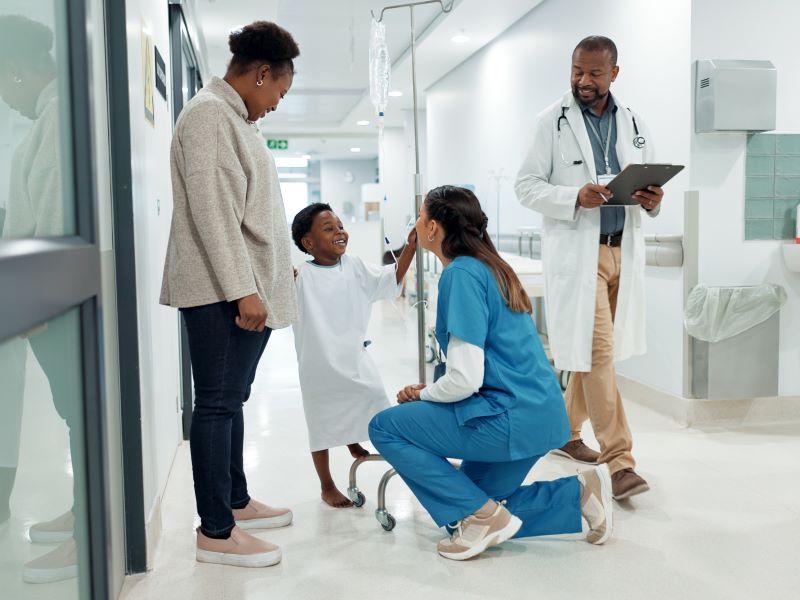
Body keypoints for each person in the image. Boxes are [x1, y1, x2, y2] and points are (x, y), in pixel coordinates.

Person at [369, 186, 614, 561]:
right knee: (468, 503)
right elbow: (478, 371)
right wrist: (435, 390)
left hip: (509, 417)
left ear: (433, 229)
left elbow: (465, 378)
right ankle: (578, 493)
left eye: (420, 216)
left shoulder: (461, 275)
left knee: (385, 427)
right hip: (541, 416)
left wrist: (423, 394)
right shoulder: (491, 266)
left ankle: (482, 518)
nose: (415, 223)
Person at [160, 20, 299, 568]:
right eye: (279, 92)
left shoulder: (235, 119)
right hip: (220, 292)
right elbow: (215, 215)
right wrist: (244, 289)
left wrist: (274, 269)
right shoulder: (209, 117)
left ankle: (235, 502)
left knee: (230, 401)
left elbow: (250, 211)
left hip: (238, 286)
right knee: (216, 405)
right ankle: (215, 531)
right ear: (261, 74)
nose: (276, 105)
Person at [515, 36, 663, 500]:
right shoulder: (550, 121)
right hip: (582, 256)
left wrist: (654, 201)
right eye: (577, 71)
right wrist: (570, 196)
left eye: (594, 73)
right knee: (599, 353)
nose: (583, 81)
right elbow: (526, 186)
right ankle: (619, 461)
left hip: (624, 249)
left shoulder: (634, 121)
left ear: (614, 73)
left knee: (591, 352)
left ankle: (563, 432)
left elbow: (649, 179)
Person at [0, 14, 85, 584]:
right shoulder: (51, 120)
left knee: (79, 417)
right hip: (51, 301)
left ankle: (84, 536)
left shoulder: (56, 123)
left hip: (57, 305)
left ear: (16, 72)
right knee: (72, 414)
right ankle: (82, 514)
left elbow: (53, 229)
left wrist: (33, 308)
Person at [290, 203, 416, 507]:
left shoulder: (356, 266)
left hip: (354, 358)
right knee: (320, 425)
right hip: (318, 365)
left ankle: (356, 440)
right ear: (309, 243)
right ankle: (327, 485)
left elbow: (391, 278)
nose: (340, 232)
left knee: (372, 397)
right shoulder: (301, 277)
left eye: (340, 225)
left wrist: (411, 247)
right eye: (329, 228)